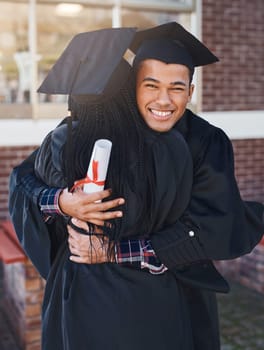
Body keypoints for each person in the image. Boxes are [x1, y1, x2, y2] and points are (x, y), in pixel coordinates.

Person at [9, 23, 264, 350]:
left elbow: (214, 227)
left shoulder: (205, 141)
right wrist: (60, 201)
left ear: (191, 91)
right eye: (151, 85)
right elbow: (23, 178)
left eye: (176, 88)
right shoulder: (83, 132)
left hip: (177, 293)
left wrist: (114, 251)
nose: (164, 100)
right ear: (133, 87)